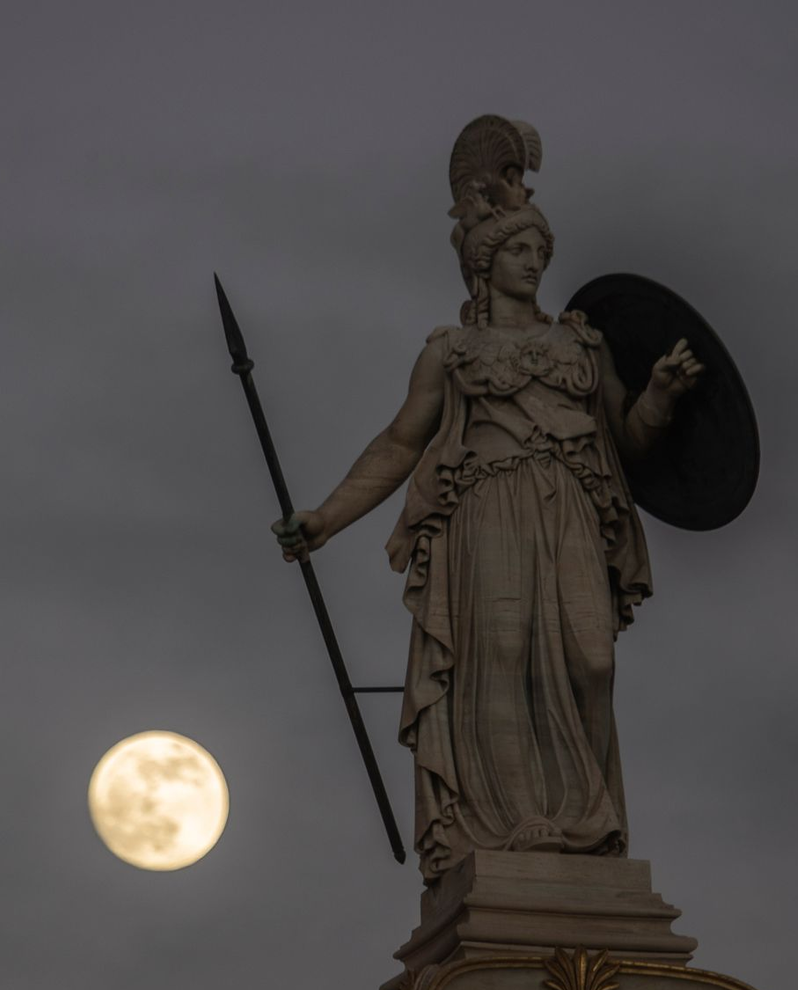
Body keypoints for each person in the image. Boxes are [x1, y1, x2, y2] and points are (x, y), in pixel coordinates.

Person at [274, 119, 702, 882]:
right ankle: (514, 824)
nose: (533, 263)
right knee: (499, 658)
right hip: (486, 507)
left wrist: (661, 397)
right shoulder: (452, 351)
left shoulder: (581, 343)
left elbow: (628, 441)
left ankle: (589, 820)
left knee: (591, 661)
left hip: (567, 507)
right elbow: (402, 443)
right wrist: (327, 517)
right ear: (484, 262)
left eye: (540, 251)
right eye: (517, 251)